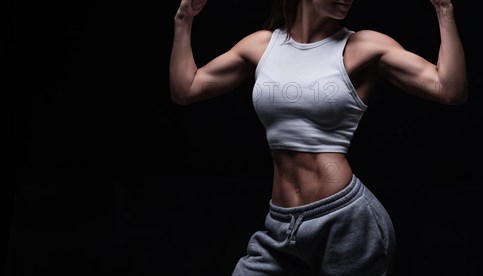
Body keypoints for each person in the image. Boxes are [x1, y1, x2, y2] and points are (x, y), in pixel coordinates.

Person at [169, 0, 467, 274]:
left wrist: (444, 10)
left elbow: (449, 89)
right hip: (281, 225)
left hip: (346, 220)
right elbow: (187, 89)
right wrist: (184, 20)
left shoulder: (361, 45)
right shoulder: (263, 45)